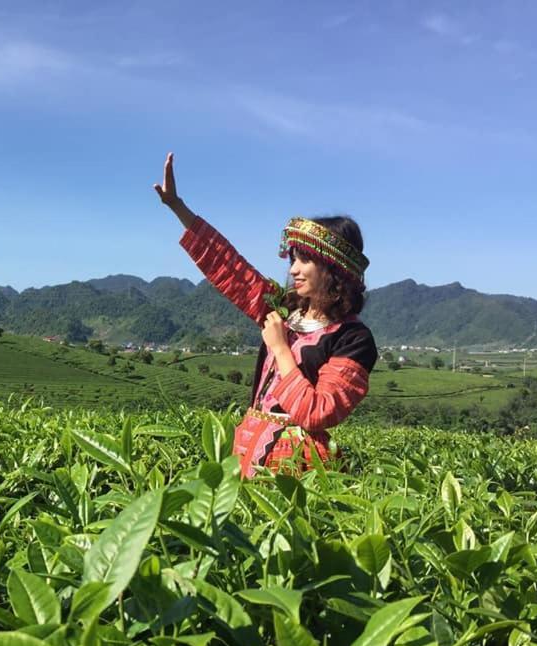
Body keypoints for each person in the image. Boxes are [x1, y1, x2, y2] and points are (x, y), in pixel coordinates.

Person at [154, 153, 377, 477]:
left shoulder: (353, 339)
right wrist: (177, 206)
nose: (294, 270)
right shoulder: (283, 309)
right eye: (292, 261)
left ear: (333, 269)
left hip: (300, 467)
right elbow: (230, 267)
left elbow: (317, 412)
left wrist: (281, 348)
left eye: (304, 261)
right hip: (248, 448)